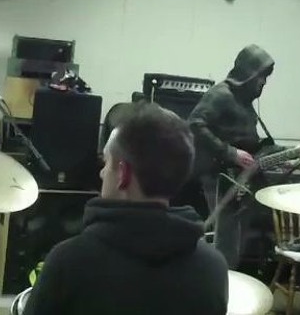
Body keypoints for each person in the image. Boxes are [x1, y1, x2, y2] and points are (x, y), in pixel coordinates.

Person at [24, 102, 229, 315]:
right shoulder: (213, 268)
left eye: (106, 162)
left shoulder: (68, 262)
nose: (102, 173)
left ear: (123, 174)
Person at [188, 44, 300, 268]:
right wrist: (231, 153)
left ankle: (228, 279)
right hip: (220, 177)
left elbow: (257, 148)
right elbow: (195, 124)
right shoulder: (220, 94)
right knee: (227, 242)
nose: (263, 82)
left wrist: (297, 151)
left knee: (235, 244)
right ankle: (221, 282)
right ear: (248, 73)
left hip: (240, 181)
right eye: (261, 76)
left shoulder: (246, 106)